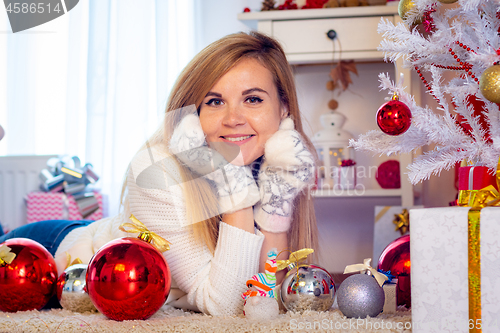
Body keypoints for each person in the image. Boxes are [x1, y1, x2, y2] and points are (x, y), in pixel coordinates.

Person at [0, 31, 319, 316]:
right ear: (193, 115)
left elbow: (268, 299)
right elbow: (226, 306)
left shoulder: (276, 166)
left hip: (99, 230)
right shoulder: (158, 168)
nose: (233, 118)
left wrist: (278, 200)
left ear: (283, 108)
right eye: (214, 101)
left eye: (252, 99)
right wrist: (233, 187)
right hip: (50, 249)